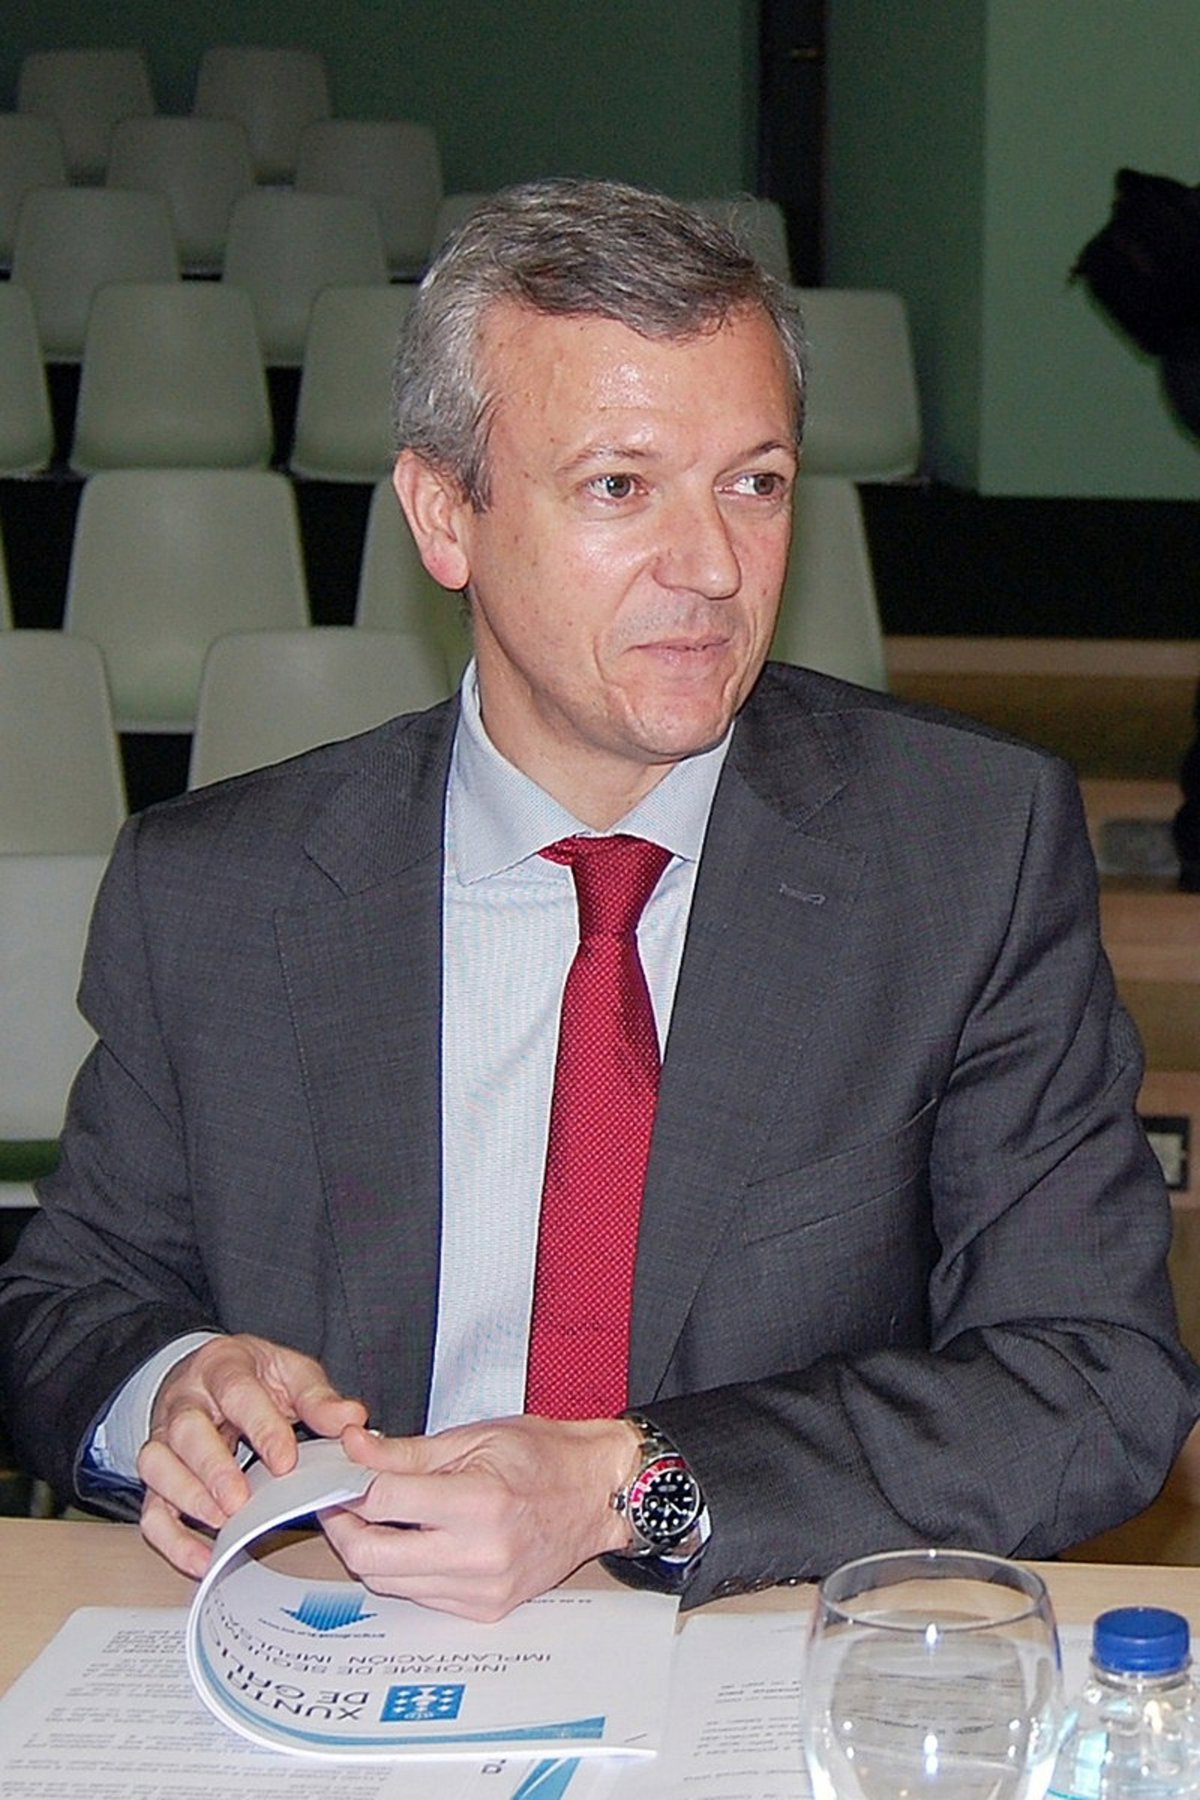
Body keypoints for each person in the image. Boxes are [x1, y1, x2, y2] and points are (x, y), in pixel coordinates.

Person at [1, 179, 1196, 1620]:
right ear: (445, 516)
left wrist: (628, 1483)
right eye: (620, 487)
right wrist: (172, 1387)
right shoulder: (218, 890)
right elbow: (64, 1305)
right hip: (330, 1626)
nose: (712, 568)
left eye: (755, 483)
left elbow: (1092, 1377)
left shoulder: (962, 853)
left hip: (758, 1633)